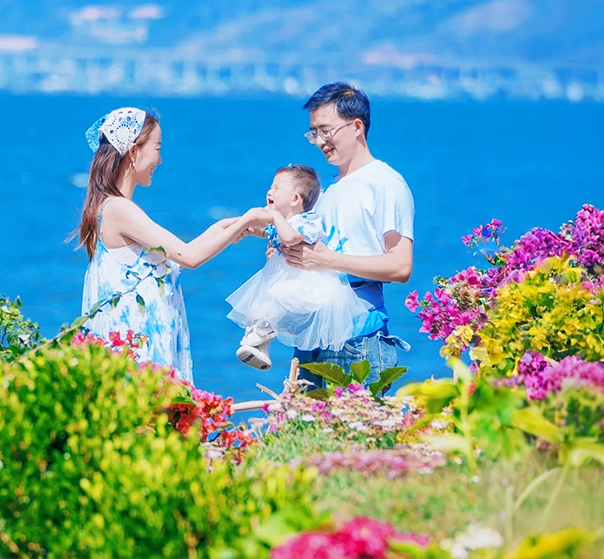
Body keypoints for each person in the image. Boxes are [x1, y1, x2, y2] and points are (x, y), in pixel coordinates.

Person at [77, 107, 270, 384]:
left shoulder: (109, 206)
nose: (160, 159)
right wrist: (248, 219)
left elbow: (176, 255)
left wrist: (232, 226)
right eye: (157, 148)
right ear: (134, 152)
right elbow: (189, 256)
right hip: (139, 356)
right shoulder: (119, 209)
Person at [280, 83, 415, 389]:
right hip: (313, 332)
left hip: (360, 339)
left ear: (356, 127)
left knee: (359, 435)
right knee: (303, 433)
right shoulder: (324, 188)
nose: (320, 142)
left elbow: (400, 266)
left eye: (326, 131)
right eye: (314, 133)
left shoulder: (386, 184)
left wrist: (328, 259)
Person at [226, 164, 373, 371]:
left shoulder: (306, 221)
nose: (269, 191)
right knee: (260, 308)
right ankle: (262, 349)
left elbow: (290, 237)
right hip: (282, 276)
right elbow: (268, 232)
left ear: (295, 199)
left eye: (276, 188)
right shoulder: (284, 222)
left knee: (276, 303)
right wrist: (252, 231)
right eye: (270, 187)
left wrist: (275, 218)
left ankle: (260, 334)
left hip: (303, 282)